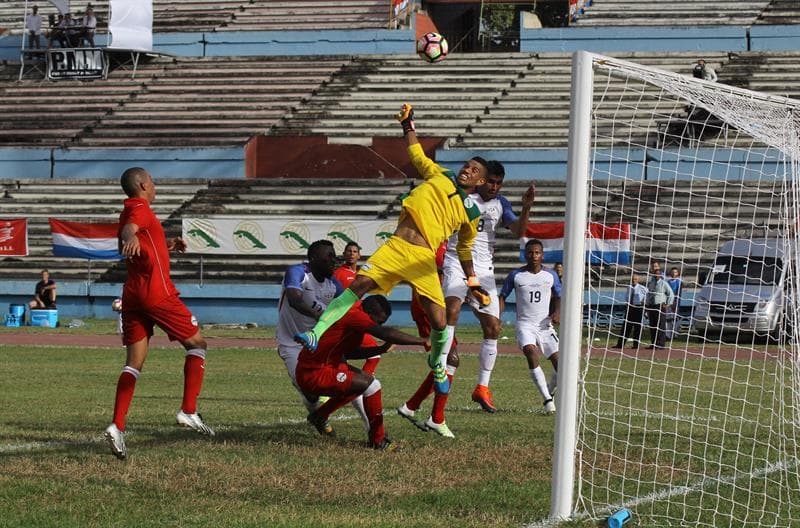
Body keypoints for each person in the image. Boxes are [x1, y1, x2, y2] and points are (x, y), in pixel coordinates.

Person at [295, 103, 489, 396]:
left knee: (439, 321)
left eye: (474, 170)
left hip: (423, 260)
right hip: (397, 247)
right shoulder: (441, 174)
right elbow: (415, 153)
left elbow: (464, 249)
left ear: (480, 181)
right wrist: (407, 124)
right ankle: (315, 332)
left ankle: (436, 361)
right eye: (467, 165)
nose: (467, 170)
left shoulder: (472, 214)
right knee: (357, 287)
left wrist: (473, 281)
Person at [104, 167, 214, 460]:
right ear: (142, 184)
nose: (155, 184)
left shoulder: (128, 208)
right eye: (152, 180)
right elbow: (132, 230)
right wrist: (130, 236)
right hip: (157, 293)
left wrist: (166, 246)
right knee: (198, 345)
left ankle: (117, 425)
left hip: (134, 295)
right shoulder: (140, 208)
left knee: (134, 363)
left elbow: (135, 238)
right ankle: (188, 410)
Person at [437, 163, 536, 414]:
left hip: (484, 270)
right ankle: (439, 366)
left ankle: (482, 387)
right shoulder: (463, 198)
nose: (493, 187)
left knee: (493, 327)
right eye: (490, 181)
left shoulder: (501, 203)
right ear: (481, 180)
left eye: (498, 183)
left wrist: (526, 207)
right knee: (452, 310)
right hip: (456, 261)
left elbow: (519, 231)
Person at [296, 295, 427, 450]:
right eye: (378, 321)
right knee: (372, 386)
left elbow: (350, 353)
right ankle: (378, 441)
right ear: (369, 314)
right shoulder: (355, 315)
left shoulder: (357, 314)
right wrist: (423, 340)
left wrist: (381, 349)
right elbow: (384, 333)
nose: (377, 324)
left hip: (328, 365)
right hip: (314, 372)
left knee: (362, 382)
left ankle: (320, 416)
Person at [397, 242, 460, 437]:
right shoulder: (431, 240)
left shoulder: (449, 241)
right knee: (449, 359)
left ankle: (413, 407)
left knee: (449, 359)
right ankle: (435, 418)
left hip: (437, 302)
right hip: (428, 304)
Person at [276, 239, 343, 414]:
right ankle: (316, 412)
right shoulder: (298, 272)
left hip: (319, 342)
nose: (333, 259)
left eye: (334, 255)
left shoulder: (334, 285)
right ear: (313, 258)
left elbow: (347, 311)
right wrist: (320, 313)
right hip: (291, 342)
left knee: (342, 381)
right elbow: (294, 299)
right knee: (310, 392)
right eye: (329, 255)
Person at [499, 239, 561, 414]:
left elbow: (559, 295)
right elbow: (502, 296)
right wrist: (498, 317)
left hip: (545, 325)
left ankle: (550, 388)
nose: (533, 256)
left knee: (559, 363)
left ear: (542, 255)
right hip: (525, 324)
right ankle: (548, 400)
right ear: (524, 254)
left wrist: (557, 312)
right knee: (531, 353)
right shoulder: (516, 275)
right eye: (530, 252)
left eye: (537, 252)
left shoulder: (551, 275)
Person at [333, 241, 381, 375]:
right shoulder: (339, 273)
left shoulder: (360, 274)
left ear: (359, 255)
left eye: (355, 252)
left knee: (372, 355)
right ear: (344, 254)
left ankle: (360, 384)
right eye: (349, 251)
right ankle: (358, 385)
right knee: (372, 354)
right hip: (345, 320)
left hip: (357, 320)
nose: (351, 254)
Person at [645, 259, 675, 350]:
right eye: (655, 273)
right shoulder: (652, 283)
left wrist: (667, 304)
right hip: (652, 306)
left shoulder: (664, 283)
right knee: (653, 325)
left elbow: (671, 294)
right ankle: (653, 343)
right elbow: (649, 293)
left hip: (660, 305)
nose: (657, 275)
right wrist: (647, 304)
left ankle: (660, 344)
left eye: (658, 273)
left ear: (661, 274)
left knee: (660, 325)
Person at [613, 273, 647, 349]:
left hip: (638, 308)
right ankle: (620, 344)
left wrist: (643, 303)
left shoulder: (642, 288)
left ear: (638, 280)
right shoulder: (629, 287)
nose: (633, 280)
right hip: (629, 307)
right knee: (626, 326)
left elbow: (647, 296)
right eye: (632, 279)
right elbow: (627, 296)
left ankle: (636, 345)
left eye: (635, 279)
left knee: (637, 327)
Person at [665, 267, 682, 341]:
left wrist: (675, 302)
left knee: (675, 318)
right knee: (668, 319)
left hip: (675, 302)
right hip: (668, 302)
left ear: (678, 273)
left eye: (675, 272)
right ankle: (668, 335)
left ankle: (675, 333)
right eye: (672, 272)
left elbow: (679, 293)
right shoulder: (667, 282)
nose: (673, 273)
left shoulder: (679, 282)